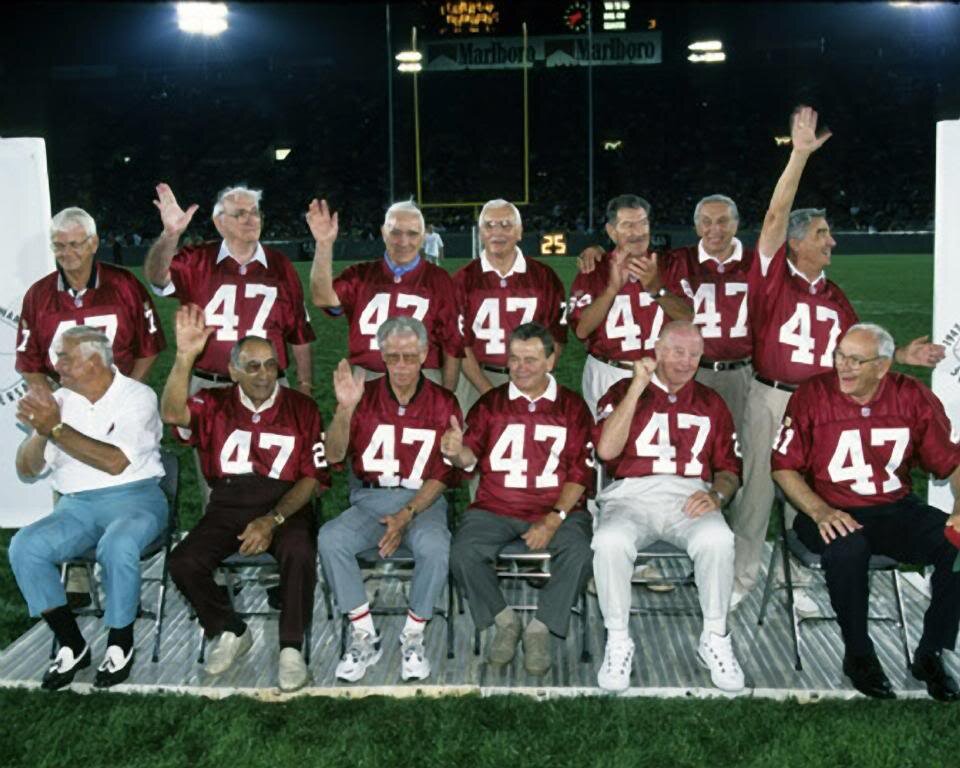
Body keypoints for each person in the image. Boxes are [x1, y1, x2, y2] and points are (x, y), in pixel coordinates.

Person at [734, 107, 944, 605]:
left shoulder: (836, 296)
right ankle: (740, 581)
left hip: (821, 403)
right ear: (797, 243)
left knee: (813, 496)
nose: (832, 240)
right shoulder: (772, 280)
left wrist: (904, 356)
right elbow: (773, 217)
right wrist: (799, 156)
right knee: (756, 496)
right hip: (770, 399)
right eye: (822, 233)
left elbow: (855, 353)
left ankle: (799, 582)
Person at [772, 323, 960, 701]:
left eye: (857, 360)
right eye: (840, 356)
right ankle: (858, 652)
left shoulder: (912, 397)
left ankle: (932, 652)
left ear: (883, 367)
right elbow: (783, 466)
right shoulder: (813, 395)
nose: (844, 366)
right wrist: (819, 510)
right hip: (828, 506)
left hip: (893, 509)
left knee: (957, 545)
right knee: (847, 548)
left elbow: (952, 464)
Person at [162, 305, 329, 692]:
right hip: (228, 504)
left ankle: (291, 647)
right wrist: (185, 357)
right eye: (252, 367)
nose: (264, 374)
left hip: (286, 504)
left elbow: (311, 478)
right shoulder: (214, 403)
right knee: (184, 562)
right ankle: (229, 629)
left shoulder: (301, 407)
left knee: (299, 551)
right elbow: (172, 414)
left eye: (270, 365)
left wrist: (273, 520)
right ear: (234, 370)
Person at [9, 326, 167, 690]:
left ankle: (120, 642)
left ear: (94, 360)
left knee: (118, 545)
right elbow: (26, 469)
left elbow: (115, 463)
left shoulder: (137, 396)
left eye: (64, 356)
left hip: (136, 498)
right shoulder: (57, 401)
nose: (55, 364)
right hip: (76, 507)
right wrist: (40, 432)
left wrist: (57, 429)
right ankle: (71, 643)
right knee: (25, 546)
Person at [592, 321, 744, 693]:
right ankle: (618, 638)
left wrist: (718, 496)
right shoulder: (620, 391)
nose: (687, 361)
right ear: (657, 351)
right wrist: (637, 387)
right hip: (630, 495)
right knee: (609, 542)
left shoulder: (711, 402)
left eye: (695, 353)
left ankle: (714, 636)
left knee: (718, 540)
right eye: (678, 351)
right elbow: (606, 451)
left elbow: (729, 469)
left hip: (688, 496)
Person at [443, 322, 594, 675]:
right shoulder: (491, 404)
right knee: (462, 551)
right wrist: (455, 452)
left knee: (580, 551)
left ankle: (541, 628)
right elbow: (470, 458)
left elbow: (579, 474)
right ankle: (504, 620)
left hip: (555, 507)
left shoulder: (571, 407)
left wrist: (553, 518)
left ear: (551, 361)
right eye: (514, 359)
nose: (520, 367)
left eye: (530, 359)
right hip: (497, 505)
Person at [319, 316, 461, 682]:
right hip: (370, 499)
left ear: (426, 355)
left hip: (422, 501)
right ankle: (365, 633)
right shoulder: (362, 397)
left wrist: (407, 514)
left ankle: (413, 634)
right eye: (393, 357)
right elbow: (333, 455)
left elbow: (442, 475)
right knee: (331, 538)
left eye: (409, 357)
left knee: (435, 545)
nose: (401, 366)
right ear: (381, 355)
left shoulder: (443, 402)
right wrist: (344, 410)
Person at [143, 183, 315, 396]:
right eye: (240, 214)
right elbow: (158, 278)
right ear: (220, 222)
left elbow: (299, 333)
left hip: (269, 384)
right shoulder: (196, 259)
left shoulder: (281, 265)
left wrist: (305, 386)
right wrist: (170, 234)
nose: (251, 219)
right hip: (209, 386)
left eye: (255, 212)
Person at [307, 198, 462, 390]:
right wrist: (323, 244)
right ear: (383, 232)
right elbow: (322, 298)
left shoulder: (439, 280)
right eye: (395, 232)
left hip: (422, 378)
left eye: (412, 234)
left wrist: (447, 396)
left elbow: (452, 344)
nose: (403, 241)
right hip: (368, 375)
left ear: (423, 237)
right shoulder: (360, 275)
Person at [568, 194, 692, 418]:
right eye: (628, 225)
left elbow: (689, 318)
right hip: (608, 371)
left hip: (660, 373)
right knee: (605, 446)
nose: (638, 232)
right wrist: (611, 290)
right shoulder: (594, 269)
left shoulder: (669, 265)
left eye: (643, 223)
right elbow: (581, 330)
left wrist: (657, 289)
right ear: (611, 231)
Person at [16, 207, 166, 390]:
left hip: (120, 396)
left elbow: (149, 346)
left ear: (93, 243)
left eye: (74, 244)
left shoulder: (125, 285)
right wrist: (49, 401)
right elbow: (28, 359)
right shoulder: (38, 294)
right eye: (59, 246)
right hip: (65, 402)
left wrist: (128, 393)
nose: (67, 253)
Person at [453, 199, 568, 416]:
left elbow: (556, 336)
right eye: (489, 225)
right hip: (474, 378)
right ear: (480, 233)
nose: (497, 232)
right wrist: (487, 390)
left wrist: (536, 376)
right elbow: (459, 345)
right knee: (469, 445)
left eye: (506, 225)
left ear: (519, 231)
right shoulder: (461, 280)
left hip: (531, 379)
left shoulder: (545, 277)